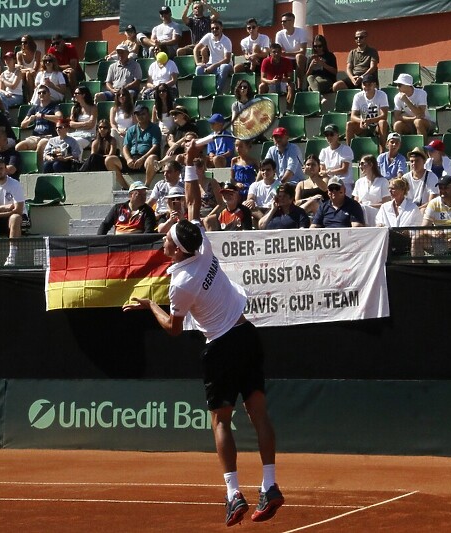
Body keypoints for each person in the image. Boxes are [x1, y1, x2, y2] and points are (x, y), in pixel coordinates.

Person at [122, 142, 284, 527]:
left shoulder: (180, 282)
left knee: (221, 422)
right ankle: (271, 484)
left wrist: (151, 307)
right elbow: (193, 202)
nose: (163, 237)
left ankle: (233, 495)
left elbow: (175, 331)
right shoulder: (203, 244)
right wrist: (192, 160)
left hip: (221, 347)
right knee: (258, 412)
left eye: (166, 239)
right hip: (247, 334)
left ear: (177, 251)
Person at [375, 177, 422, 256]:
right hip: (387, 242)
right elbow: (379, 222)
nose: (390, 191)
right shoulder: (384, 207)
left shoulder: (413, 208)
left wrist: (408, 232)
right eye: (389, 188)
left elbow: (417, 228)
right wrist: (379, 225)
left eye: (393, 188)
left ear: (402, 190)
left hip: (405, 243)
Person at [345, 73, 389, 152]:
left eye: (369, 84)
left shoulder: (382, 95)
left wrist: (370, 121)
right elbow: (353, 116)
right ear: (362, 85)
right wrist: (361, 121)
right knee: (349, 124)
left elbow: (384, 116)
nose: (367, 87)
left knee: (382, 122)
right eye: (365, 84)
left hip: (377, 126)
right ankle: (349, 152)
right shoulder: (358, 96)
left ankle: (382, 151)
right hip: (364, 125)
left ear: (374, 85)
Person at [16, 86, 62, 158]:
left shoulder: (54, 106)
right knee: (18, 147)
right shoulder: (34, 108)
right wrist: (29, 120)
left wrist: (43, 116)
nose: (41, 94)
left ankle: (39, 168)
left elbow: (59, 118)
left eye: (44, 92)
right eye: (39, 93)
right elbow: (22, 125)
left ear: (49, 94)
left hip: (49, 136)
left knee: (41, 144)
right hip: (35, 136)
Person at [123, 104, 162, 186]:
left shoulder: (154, 128)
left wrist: (142, 158)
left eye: (143, 114)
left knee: (152, 159)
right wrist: (128, 159)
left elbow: (155, 146)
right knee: (110, 160)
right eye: (138, 114)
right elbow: (125, 146)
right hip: (132, 159)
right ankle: (125, 186)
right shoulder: (131, 129)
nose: (140, 116)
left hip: (145, 159)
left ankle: (146, 186)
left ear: (148, 114)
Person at [79, 119, 124, 185]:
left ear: (108, 129)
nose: (102, 129)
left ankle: (80, 172)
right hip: (98, 164)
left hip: (107, 163)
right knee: (93, 157)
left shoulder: (112, 140)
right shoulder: (95, 142)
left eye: (105, 127)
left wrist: (101, 157)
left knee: (94, 157)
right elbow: (92, 158)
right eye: (100, 127)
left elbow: (111, 155)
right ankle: (81, 173)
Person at [194, 20, 233, 94]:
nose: (214, 30)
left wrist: (213, 66)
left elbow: (227, 59)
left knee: (224, 67)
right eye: (212, 28)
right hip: (211, 65)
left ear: (221, 28)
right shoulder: (208, 36)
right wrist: (197, 62)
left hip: (225, 66)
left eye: (217, 28)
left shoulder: (226, 41)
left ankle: (218, 91)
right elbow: (196, 49)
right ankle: (202, 92)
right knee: (199, 68)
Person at [353, 154, 391, 224]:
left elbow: (386, 204)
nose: (360, 166)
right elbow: (356, 202)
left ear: (371, 165)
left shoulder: (383, 181)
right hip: (362, 215)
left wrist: (367, 206)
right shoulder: (359, 182)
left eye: (362, 164)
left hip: (378, 215)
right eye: (359, 164)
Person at [319, 124, 355, 194]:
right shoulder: (324, 151)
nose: (329, 137)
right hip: (329, 182)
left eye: (331, 134)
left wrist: (328, 172)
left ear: (337, 135)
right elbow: (322, 170)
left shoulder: (346, 149)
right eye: (327, 135)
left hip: (344, 183)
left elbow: (344, 170)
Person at [275, 12, 307, 90]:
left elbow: (303, 51)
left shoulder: (301, 32)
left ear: (292, 21)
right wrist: (284, 54)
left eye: (285, 21)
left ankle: (299, 87)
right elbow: (278, 51)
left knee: (299, 56)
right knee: (276, 57)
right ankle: (283, 87)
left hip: (298, 60)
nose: (282, 23)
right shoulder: (279, 34)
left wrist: (286, 53)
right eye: (281, 21)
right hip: (286, 60)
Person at [258, 44, 294, 109]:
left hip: (282, 82)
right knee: (261, 86)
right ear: (270, 53)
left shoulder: (287, 61)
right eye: (274, 52)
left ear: (281, 52)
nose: (276, 54)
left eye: (278, 52)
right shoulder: (265, 61)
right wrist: (271, 81)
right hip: (270, 83)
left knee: (291, 86)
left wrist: (285, 79)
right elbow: (262, 78)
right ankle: (263, 109)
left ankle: (288, 109)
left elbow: (290, 78)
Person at [68, 85, 98, 150]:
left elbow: (91, 125)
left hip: (89, 135)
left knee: (76, 142)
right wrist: (85, 123)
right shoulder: (74, 108)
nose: (74, 95)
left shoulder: (93, 108)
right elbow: (71, 124)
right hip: (77, 133)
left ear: (83, 95)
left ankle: (78, 160)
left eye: (77, 93)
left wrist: (78, 125)